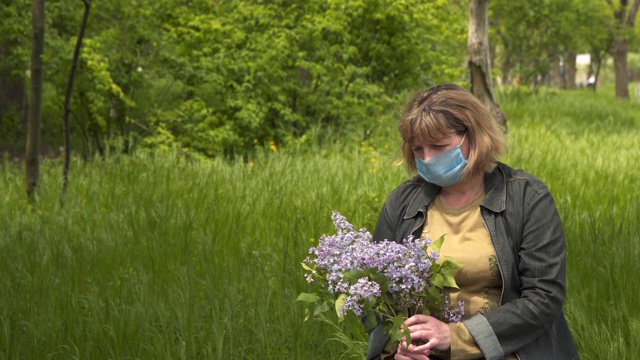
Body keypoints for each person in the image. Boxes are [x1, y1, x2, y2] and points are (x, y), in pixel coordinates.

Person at [367, 84, 579, 360]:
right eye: (418, 149)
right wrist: (398, 346)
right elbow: (375, 294)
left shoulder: (526, 197)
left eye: (439, 146)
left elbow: (544, 297)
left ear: (474, 136)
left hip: (511, 352)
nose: (427, 159)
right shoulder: (402, 203)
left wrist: (455, 336)